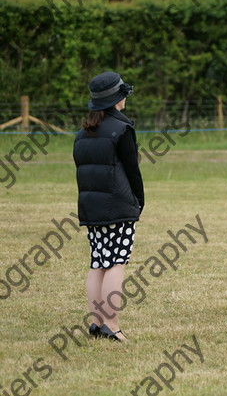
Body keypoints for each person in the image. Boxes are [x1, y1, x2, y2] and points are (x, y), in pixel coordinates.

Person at [73, 72, 144, 342]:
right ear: (117, 99)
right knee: (117, 262)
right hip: (118, 206)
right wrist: (139, 200)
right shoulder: (122, 129)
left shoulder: (82, 133)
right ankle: (112, 326)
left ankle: (96, 323)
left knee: (98, 262)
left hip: (91, 207)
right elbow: (132, 170)